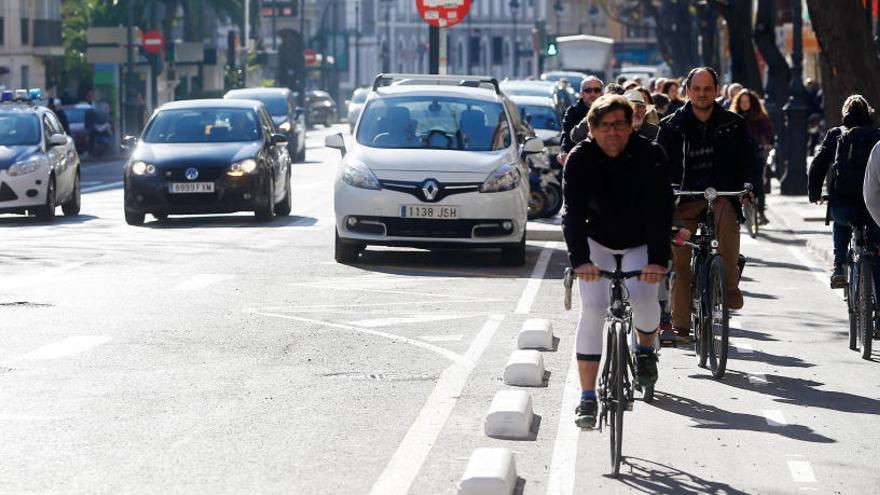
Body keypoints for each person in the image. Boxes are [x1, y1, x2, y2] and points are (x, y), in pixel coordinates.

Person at [562, 94, 673, 429]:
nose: (613, 133)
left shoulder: (650, 155)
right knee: (593, 309)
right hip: (596, 242)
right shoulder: (580, 158)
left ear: (632, 126)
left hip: (639, 241)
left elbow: (660, 210)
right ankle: (587, 397)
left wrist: (657, 261)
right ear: (592, 129)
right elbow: (572, 215)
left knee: (644, 297)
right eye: (605, 126)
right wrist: (581, 260)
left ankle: (643, 351)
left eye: (620, 125)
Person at [656, 67, 752, 344]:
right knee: (682, 260)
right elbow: (659, 166)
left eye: (707, 89)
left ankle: (730, 286)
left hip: (721, 194)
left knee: (729, 227)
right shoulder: (670, 126)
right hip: (683, 199)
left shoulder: (733, 123)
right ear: (687, 91)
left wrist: (747, 186)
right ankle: (682, 325)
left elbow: (748, 161)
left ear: (717, 91)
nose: (702, 94)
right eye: (696, 89)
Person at [808, 95, 880, 288]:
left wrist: (814, 194)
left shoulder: (836, 134)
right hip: (872, 207)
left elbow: (818, 165)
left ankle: (839, 265)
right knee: (875, 247)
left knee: (840, 223)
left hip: (843, 203)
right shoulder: (877, 135)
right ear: (868, 112)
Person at [731, 89, 775, 224]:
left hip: (757, 154)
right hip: (740, 155)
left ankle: (761, 212)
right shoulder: (733, 116)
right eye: (742, 101)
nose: (744, 104)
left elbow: (769, 132)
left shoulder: (759, 116)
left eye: (747, 101)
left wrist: (767, 143)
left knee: (758, 182)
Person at [559, 76, 603, 166]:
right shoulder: (573, 111)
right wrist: (564, 152)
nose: (593, 94)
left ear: (602, 93)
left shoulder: (609, 111)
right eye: (588, 90)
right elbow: (566, 136)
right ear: (581, 94)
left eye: (596, 90)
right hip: (579, 161)